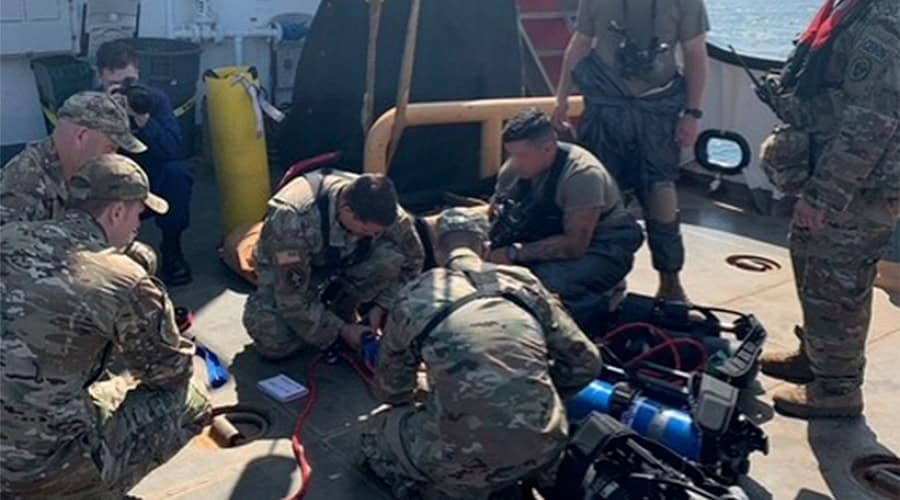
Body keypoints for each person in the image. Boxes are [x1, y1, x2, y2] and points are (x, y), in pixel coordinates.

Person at [0, 154, 210, 499]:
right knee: (192, 398)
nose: (138, 226)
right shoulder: (122, 279)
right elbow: (170, 373)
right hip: (39, 470)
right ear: (116, 212)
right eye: (138, 215)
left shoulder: (8, 235)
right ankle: (82, 490)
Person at [360, 207, 601, 499]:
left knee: (375, 433)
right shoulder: (524, 284)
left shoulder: (415, 295)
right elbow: (586, 362)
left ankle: (438, 489)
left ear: (437, 251)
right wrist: (532, 395)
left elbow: (392, 392)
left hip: (463, 462)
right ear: (485, 248)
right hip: (544, 449)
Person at [757, 0, 899, 419]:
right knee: (811, 263)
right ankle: (816, 358)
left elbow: (872, 119)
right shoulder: (852, 7)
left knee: (839, 279)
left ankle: (838, 389)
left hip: (860, 186)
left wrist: (824, 195)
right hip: (832, 167)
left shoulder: (886, 20)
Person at [552, 0, 710, 302]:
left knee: (660, 194)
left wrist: (693, 113)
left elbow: (694, 53)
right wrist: (561, 97)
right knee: (602, 196)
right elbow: (581, 43)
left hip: (657, 113)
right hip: (605, 110)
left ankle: (670, 279)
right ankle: (608, 277)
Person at [243, 169, 424, 360]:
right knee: (273, 339)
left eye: (378, 233)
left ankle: (340, 308)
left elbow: (414, 261)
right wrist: (342, 331)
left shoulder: (388, 213)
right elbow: (292, 299)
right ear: (346, 211)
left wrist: (381, 306)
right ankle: (331, 322)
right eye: (366, 230)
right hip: (290, 274)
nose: (373, 236)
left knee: (390, 258)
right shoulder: (293, 220)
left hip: (340, 264)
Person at [488, 109, 644, 328]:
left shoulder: (582, 175)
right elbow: (495, 214)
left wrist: (513, 253)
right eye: (511, 154)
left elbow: (574, 247)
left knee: (542, 286)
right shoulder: (513, 171)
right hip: (546, 233)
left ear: (548, 148)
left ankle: (597, 315)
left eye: (522, 156)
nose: (515, 162)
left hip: (603, 243)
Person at [96, 39, 194, 286]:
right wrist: (108, 115)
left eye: (128, 82)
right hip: (107, 180)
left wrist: (143, 118)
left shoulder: (153, 100)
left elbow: (173, 148)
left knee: (177, 175)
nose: (122, 90)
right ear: (100, 77)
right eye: (114, 84)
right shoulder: (89, 104)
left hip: (149, 175)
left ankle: (172, 248)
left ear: (138, 74)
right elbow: (82, 157)